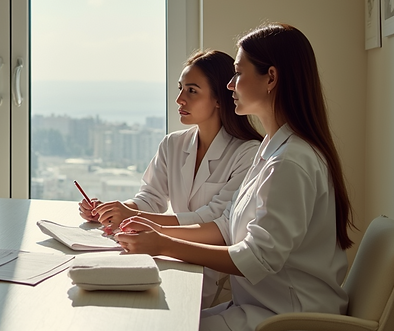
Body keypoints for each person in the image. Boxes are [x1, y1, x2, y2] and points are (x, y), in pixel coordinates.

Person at [114, 24, 353, 331]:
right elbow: (226, 226)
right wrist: (153, 234)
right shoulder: (272, 147)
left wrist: (162, 244)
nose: (230, 85)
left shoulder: (290, 161)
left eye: (239, 73)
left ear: (270, 77)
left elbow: (255, 257)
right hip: (263, 318)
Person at [79, 50, 262, 305]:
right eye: (180, 89)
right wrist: (114, 210)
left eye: (192, 91)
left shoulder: (249, 153)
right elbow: (150, 197)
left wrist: (133, 217)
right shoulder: (173, 144)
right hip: (170, 259)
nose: (179, 99)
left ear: (220, 98)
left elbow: (215, 220)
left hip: (215, 280)